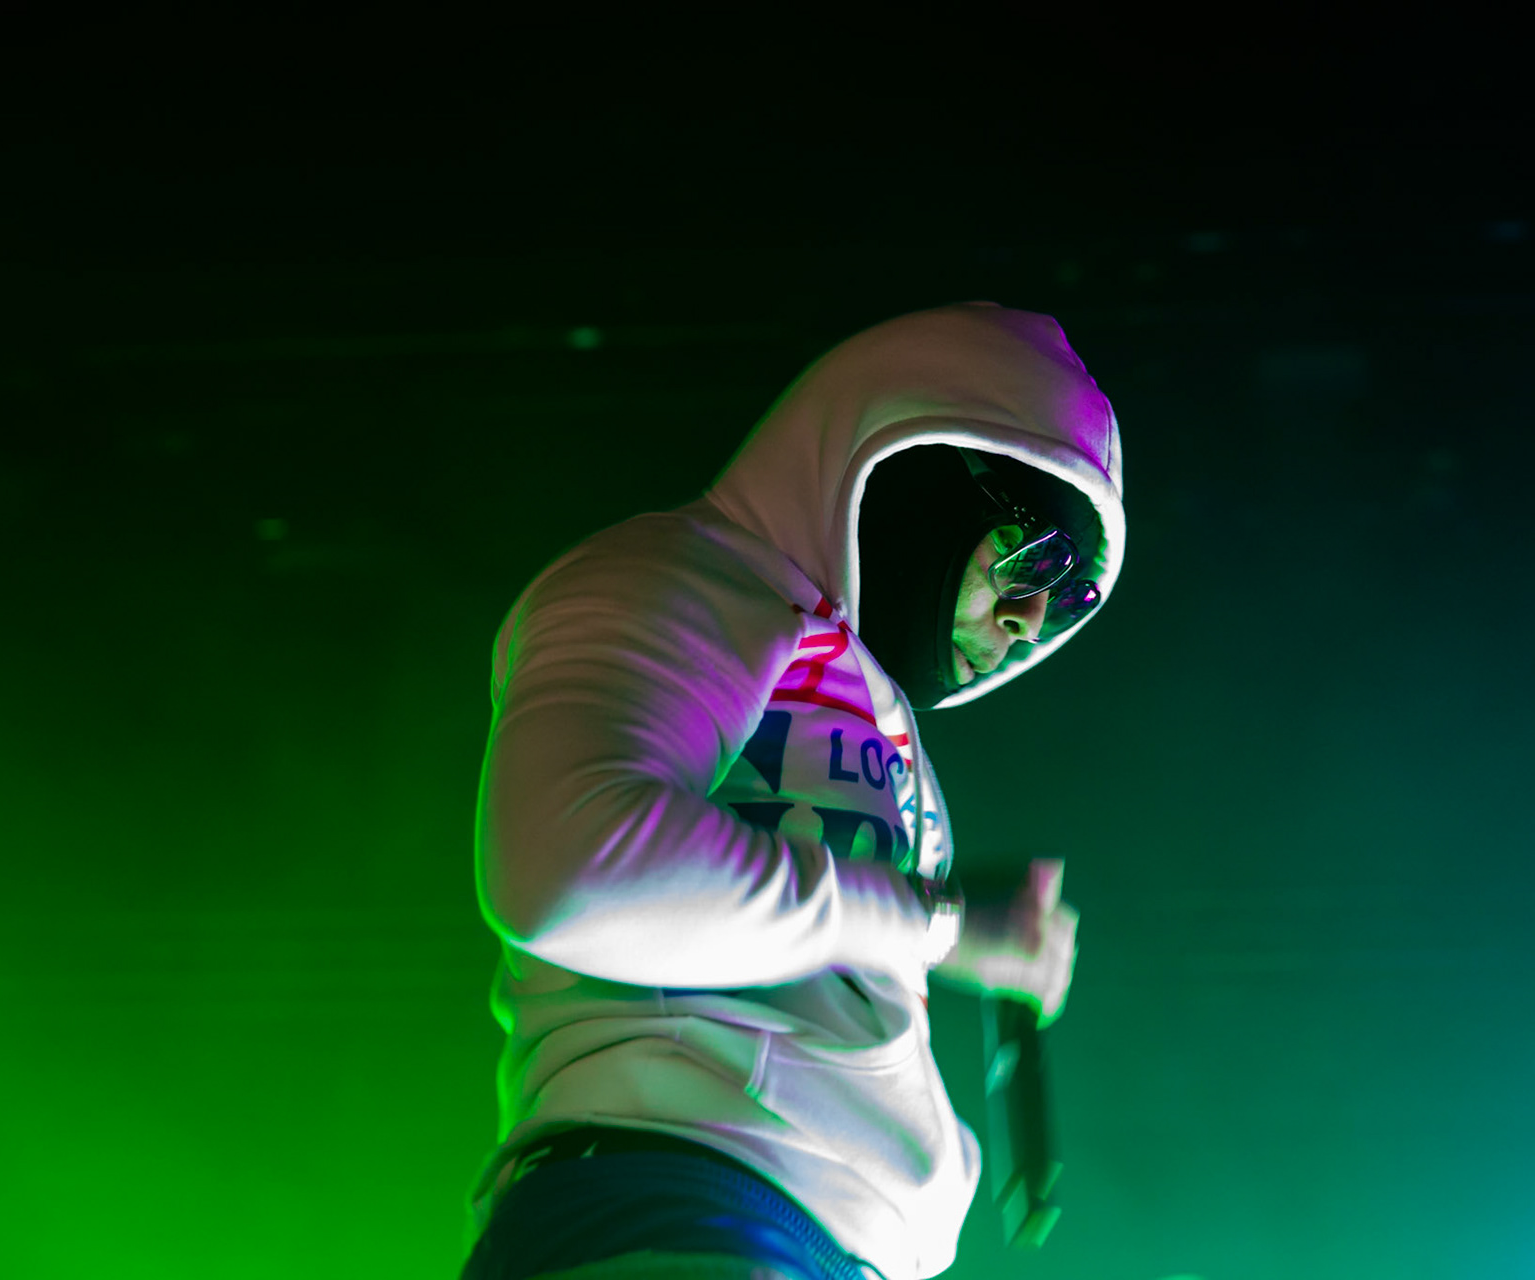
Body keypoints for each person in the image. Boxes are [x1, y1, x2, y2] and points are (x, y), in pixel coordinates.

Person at [462, 302, 1126, 1280]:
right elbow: (567, 866)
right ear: (916, 461)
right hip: (677, 1204)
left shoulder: (863, 702)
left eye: (1069, 599)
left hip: (770, 1231)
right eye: (1034, 558)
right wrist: (935, 921)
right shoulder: (678, 575)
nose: (1029, 622)